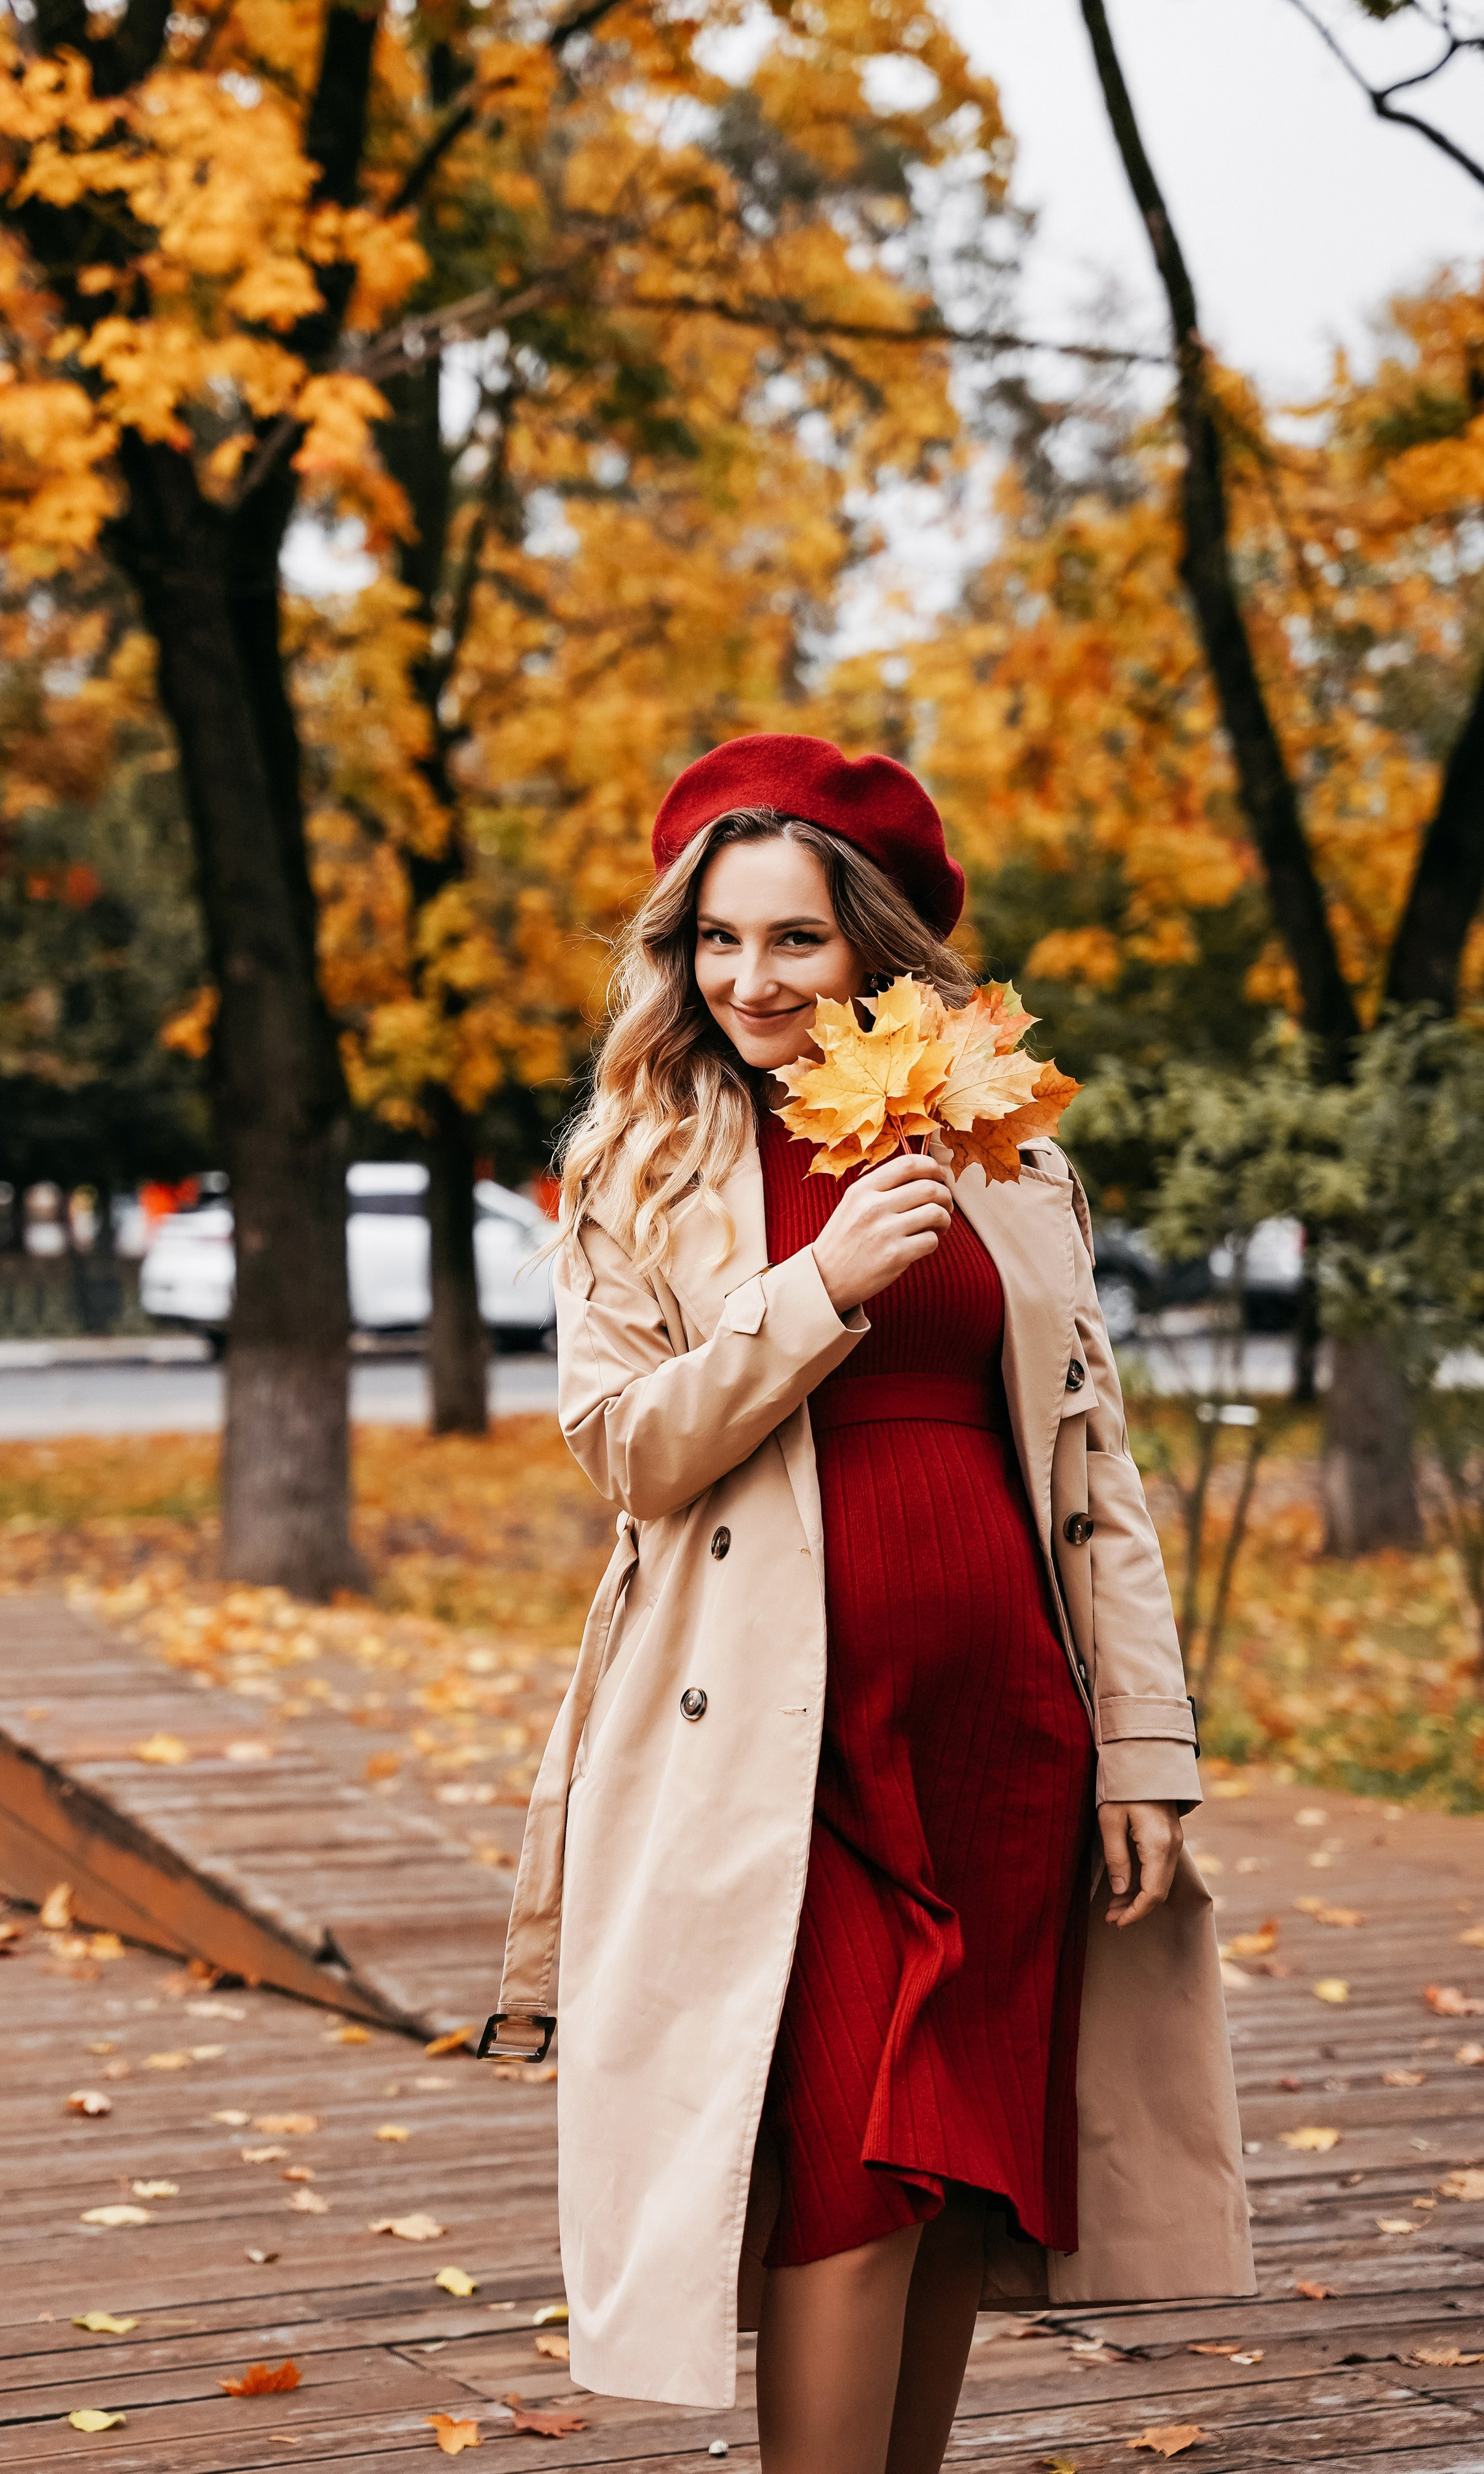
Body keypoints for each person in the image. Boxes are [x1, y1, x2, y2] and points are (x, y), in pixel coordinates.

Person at [484, 734, 1252, 2473]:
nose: (747, 980)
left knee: (949, 2167)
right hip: (777, 1745)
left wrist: (1145, 1748)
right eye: (715, 939)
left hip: (1005, 1733)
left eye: (795, 939)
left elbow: (1096, 1473)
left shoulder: (1004, 1156)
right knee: (848, 2157)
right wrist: (816, 1288)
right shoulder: (645, 1160)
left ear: (877, 949)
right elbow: (627, 1451)